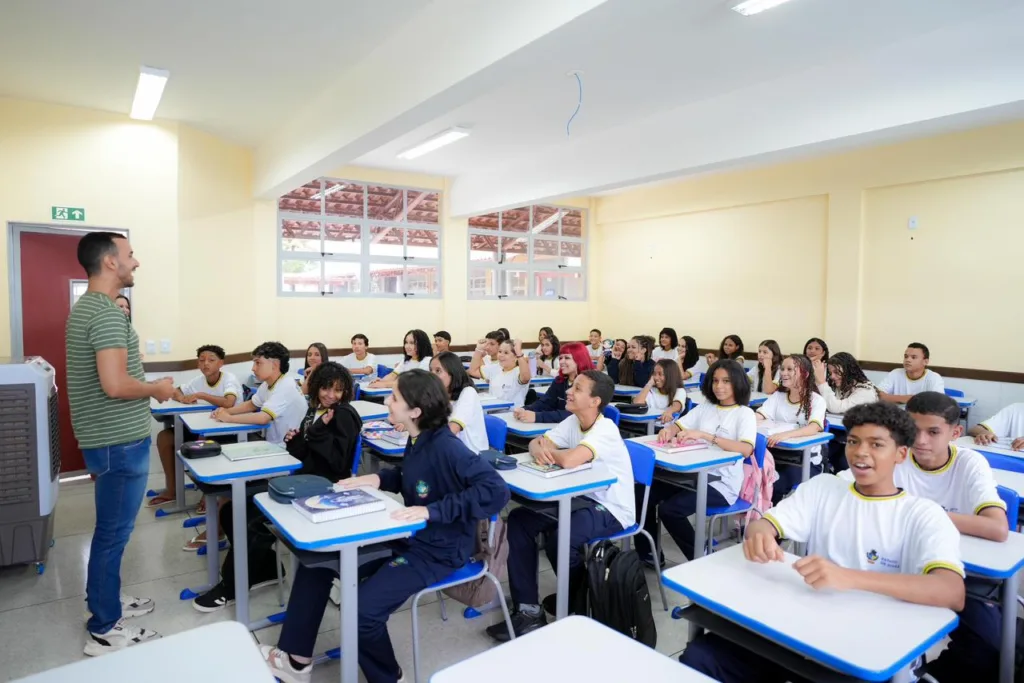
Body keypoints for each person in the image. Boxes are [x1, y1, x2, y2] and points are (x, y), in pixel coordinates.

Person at [680, 402, 966, 683]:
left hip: (867, 647)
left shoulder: (922, 514)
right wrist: (760, 533)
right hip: (803, 630)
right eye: (853, 441)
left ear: (901, 454)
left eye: (876, 445)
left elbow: (952, 591)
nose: (860, 452)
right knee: (702, 656)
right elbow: (765, 524)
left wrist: (848, 578)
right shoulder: (825, 488)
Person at [260, 370, 509, 683]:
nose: (387, 402)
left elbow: (496, 491)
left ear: (415, 410)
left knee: (360, 611)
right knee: (318, 563)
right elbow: (412, 476)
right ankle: (296, 661)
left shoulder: (447, 446)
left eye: (394, 398)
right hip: (410, 538)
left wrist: (431, 512)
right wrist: (377, 478)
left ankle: (389, 677)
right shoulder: (417, 436)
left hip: (439, 551)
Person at [67, 231, 172, 654]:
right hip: (118, 443)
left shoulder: (87, 308)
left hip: (109, 442)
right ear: (111, 262)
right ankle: (105, 627)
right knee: (112, 534)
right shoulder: (107, 314)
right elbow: (114, 385)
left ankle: (105, 600)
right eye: (130, 255)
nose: (136, 262)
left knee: (112, 532)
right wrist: (157, 388)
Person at [193, 362, 362, 613]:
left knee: (252, 523)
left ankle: (230, 587)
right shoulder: (315, 410)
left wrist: (315, 434)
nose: (331, 395)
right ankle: (267, 568)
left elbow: (336, 462)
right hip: (301, 480)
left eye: (338, 390)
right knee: (230, 511)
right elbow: (304, 454)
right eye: (326, 388)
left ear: (345, 391)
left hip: (322, 490)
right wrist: (295, 441)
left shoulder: (343, 414)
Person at [487, 371, 635, 641]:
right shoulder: (572, 421)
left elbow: (570, 460)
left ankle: (582, 602)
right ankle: (529, 611)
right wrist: (538, 449)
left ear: (594, 401)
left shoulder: (605, 429)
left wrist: (551, 453)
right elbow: (537, 442)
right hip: (580, 498)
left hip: (611, 506)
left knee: (562, 537)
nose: (569, 391)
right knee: (520, 520)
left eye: (577, 388)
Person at [897, 392, 1008, 682]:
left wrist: (921, 513)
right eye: (912, 429)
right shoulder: (895, 456)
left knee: (988, 649)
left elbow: (997, 528)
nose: (920, 440)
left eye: (933, 432)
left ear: (955, 433)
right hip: (900, 563)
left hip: (963, 572)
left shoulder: (970, 463)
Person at [638, 360, 755, 566]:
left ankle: (700, 559)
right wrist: (669, 430)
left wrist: (707, 436)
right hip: (690, 476)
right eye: (716, 381)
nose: (719, 386)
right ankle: (649, 554)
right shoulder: (706, 407)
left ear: (737, 383)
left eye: (726, 381)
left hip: (720, 483)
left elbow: (746, 449)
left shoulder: (744, 413)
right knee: (643, 493)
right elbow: (680, 425)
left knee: (670, 510)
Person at [148, 345, 242, 508]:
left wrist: (201, 395)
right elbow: (177, 390)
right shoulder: (198, 380)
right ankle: (172, 489)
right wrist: (182, 398)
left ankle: (210, 495)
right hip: (201, 428)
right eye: (202, 360)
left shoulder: (229, 379)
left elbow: (229, 402)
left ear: (221, 363)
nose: (206, 364)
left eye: (211, 360)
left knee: (202, 441)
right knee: (165, 437)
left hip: (228, 430)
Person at [756, 354, 826, 504]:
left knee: (775, 484)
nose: (783, 373)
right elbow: (760, 415)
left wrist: (786, 435)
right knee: (754, 477)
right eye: (782, 369)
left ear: (805, 374)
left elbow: (814, 427)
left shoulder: (816, 400)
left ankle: (768, 520)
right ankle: (755, 517)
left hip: (804, 462)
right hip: (777, 455)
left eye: (790, 369)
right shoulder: (778, 396)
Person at [211, 341, 307, 445]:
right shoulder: (267, 384)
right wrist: (226, 411)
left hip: (288, 447)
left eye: (258, 363)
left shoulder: (286, 385)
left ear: (275, 365)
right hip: (274, 443)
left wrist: (229, 418)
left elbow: (263, 418)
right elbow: (251, 404)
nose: (253, 368)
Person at [814, 351, 878, 472]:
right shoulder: (842, 386)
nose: (832, 376)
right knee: (820, 451)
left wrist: (821, 382)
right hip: (840, 435)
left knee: (840, 460)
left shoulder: (865, 390)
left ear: (849, 370)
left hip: (862, 439)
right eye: (831, 372)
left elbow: (836, 407)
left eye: (837, 372)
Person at [514, 341, 594, 424]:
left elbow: (574, 414)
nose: (561, 362)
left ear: (579, 359)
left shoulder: (588, 383)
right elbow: (545, 402)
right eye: (560, 358)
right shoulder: (559, 380)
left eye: (567, 358)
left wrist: (536, 416)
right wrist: (524, 409)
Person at [431, 352, 488, 453]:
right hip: (450, 449)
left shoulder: (468, 393)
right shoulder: (439, 394)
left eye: (438, 371)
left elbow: (453, 429)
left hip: (471, 455)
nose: (432, 375)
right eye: (431, 371)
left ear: (453, 372)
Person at [877, 342, 944, 404]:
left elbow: (936, 403)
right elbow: (877, 394)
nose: (908, 360)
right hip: (897, 415)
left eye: (913, 357)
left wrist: (892, 398)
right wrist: (910, 398)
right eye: (906, 356)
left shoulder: (934, 377)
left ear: (925, 362)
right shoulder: (895, 373)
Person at [480, 339, 531, 408]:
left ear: (515, 357)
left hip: (511, 414)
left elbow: (526, 377)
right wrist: (478, 349)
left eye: (506, 353)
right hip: (492, 411)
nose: (501, 355)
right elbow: (472, 371)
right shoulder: (496, 369)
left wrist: (519, 352)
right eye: (500, 351)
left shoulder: (518, 372)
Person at [633, 359, 686, 423]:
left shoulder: (679, 391)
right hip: (648, 426)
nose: (656, 377)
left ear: (670, 376)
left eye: (660, 374)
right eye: (654, 374)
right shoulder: (652, 391)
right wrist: (649, 383)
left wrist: (669, 411)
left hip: (666, 429)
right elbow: (637, 403)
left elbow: (677, 405)